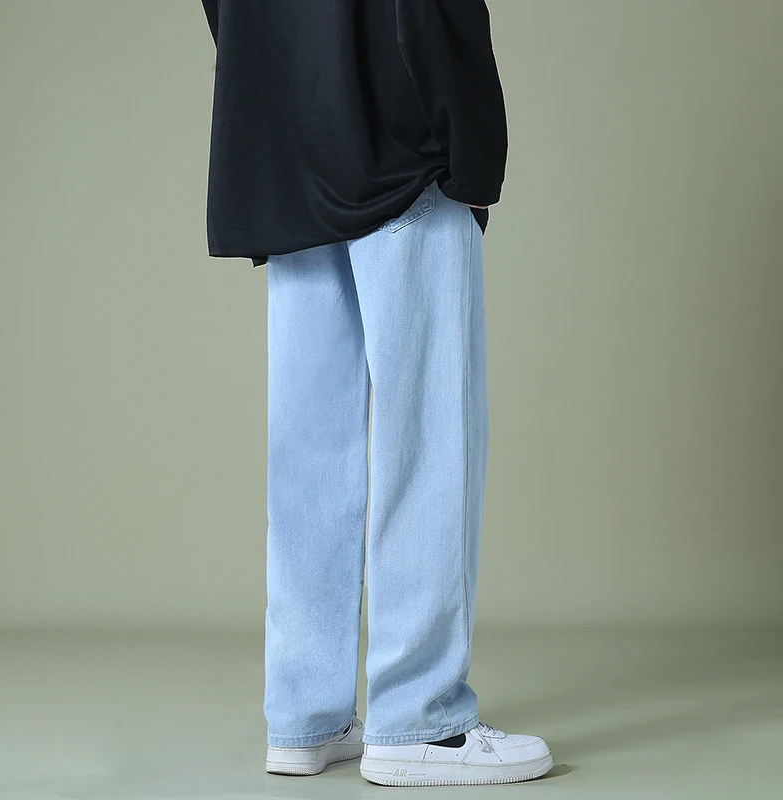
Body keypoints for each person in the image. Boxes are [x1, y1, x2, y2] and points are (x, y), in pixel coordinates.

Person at [200, 0, 553, 787]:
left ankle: (304, 716)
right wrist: (471, 149)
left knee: (308, 450)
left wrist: (277, 80)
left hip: (284, 136)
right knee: (429, 437)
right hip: (400, 139)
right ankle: (421, 719)